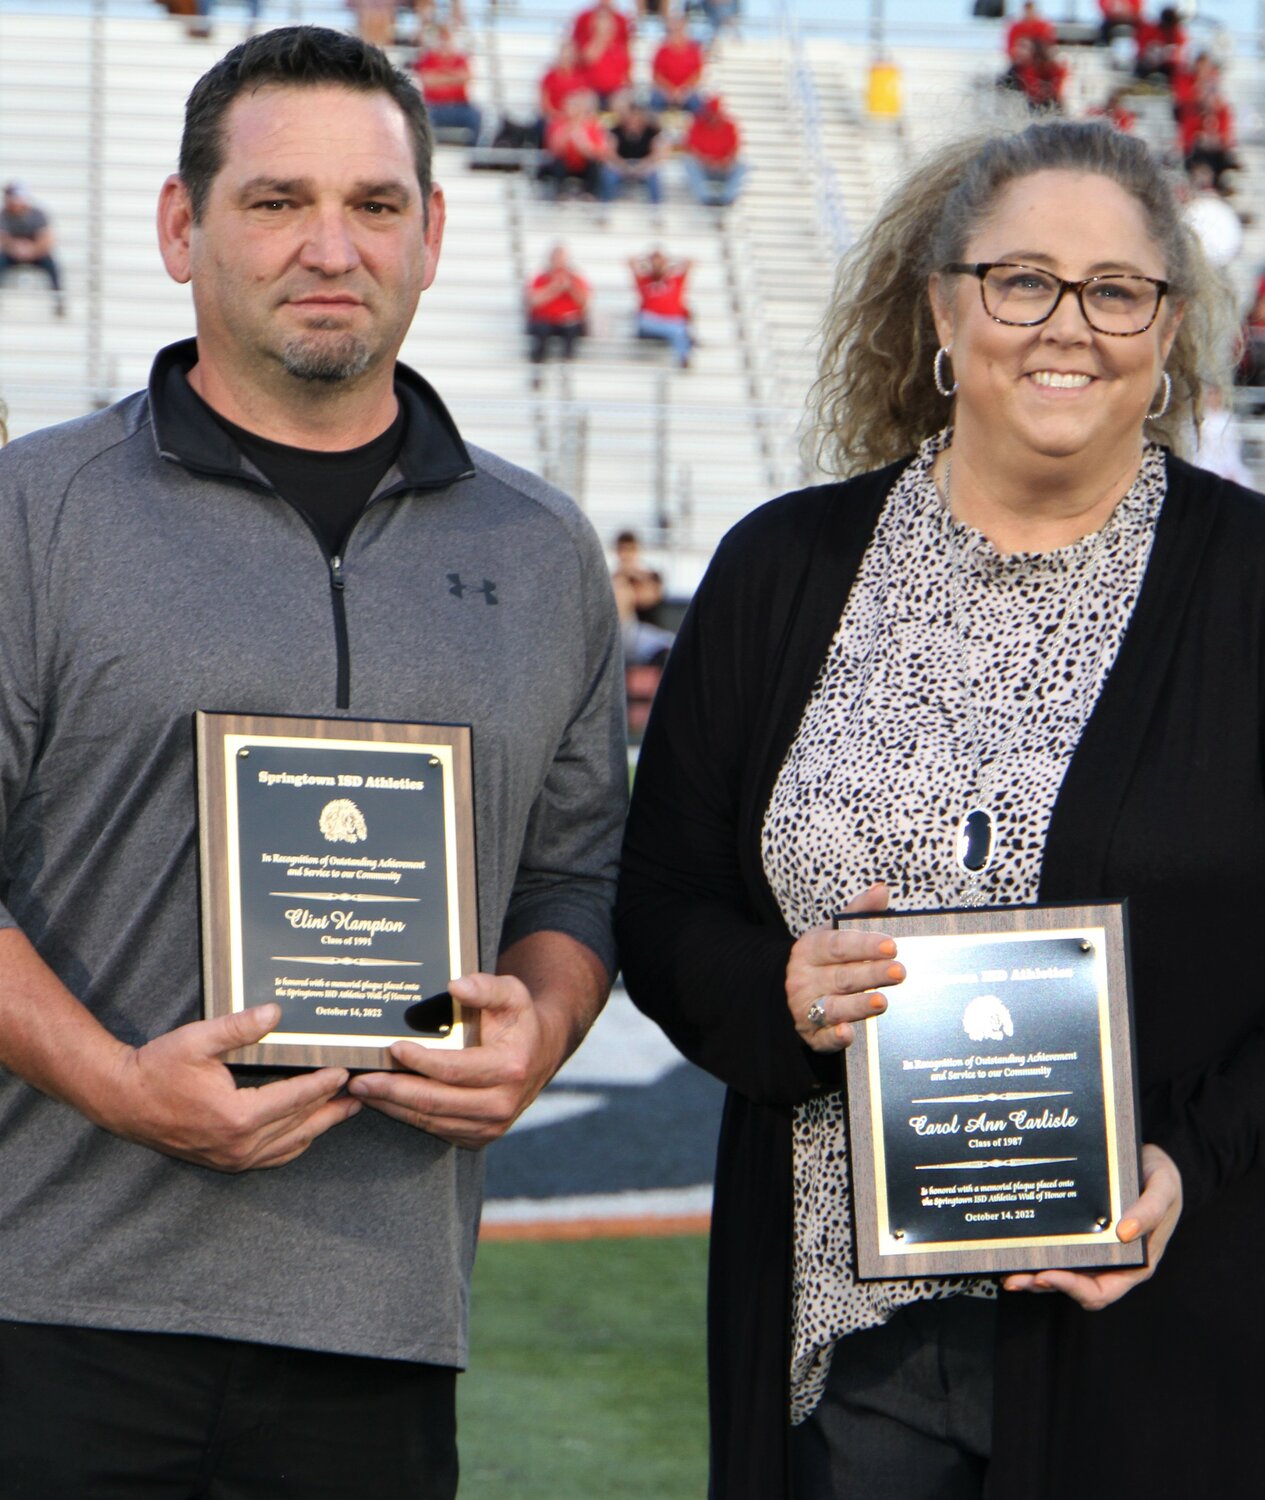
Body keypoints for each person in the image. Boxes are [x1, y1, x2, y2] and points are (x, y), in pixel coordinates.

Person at [0, 26, 625, 1498]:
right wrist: (114, 1083)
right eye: (277, 201)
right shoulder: (33, 514)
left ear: (432, 235)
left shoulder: (539, 554)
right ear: (181, 226)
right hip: (56, 1304)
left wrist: (540, 1025)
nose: (329, 247)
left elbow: (576, 873)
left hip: (380, 1323)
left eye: (376, 205)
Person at [617, 118, 1263, 1500]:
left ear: (1166, 328)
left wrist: (1185, 1168)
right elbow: (661, 906)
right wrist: (780, 988)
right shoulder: (779, 569)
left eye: (1116, 291)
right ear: (939, 306)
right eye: (1020, 279)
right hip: (850, 1352)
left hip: (1170, 1332)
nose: (1067, 326)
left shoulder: (1252, 585)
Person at [0, 181, 65, 316]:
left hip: (36, 254)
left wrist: (32, 250)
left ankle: (59, 300)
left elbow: (47, 239)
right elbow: (2, 238)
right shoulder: (3, 215)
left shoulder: (38, 214)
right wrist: (15, 247)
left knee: (51, 263)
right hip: (12, 254)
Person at [611, 528, 674, 664]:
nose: (626, 555)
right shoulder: (615, 581)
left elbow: (650, 598)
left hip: (648, 632)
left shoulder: (650, 577)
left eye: (630, 550)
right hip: (627, 635)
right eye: (622, 550)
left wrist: (636, 577)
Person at [526, 243, 590, 372]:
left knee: (572, 329)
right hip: (545, 321)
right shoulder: (541, 278)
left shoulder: (575, 278)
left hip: (568, 322)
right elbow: (534, 301)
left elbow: (584, 303)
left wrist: (570, 288)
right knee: (541, 331)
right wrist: (554, 288)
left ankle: (567, 364)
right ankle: (538, 368)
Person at [412, 22, 482, 141]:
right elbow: (428, 80)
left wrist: (441, 76)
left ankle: (473, 152)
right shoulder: (428, 57)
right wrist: (453, 77)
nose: (444, 41)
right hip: (435, 107)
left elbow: (467, 77)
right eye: (442, 37)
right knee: (419, 118)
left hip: (459, 106)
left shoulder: (460, 58)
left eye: (447, 37)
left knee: (476, 115)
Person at [538, 89, 612, 199]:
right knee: (557, 163)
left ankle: (591, 195)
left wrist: (582, 141)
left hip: (585, 164)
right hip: (565, 164)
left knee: (596, 166)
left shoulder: (592, 125)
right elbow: (555, 149)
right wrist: (569, 130)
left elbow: (600, 151)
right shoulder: (557, 123)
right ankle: (560, 195)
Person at [600, 96, 668, 206]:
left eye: (637, 115)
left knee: (654, 175)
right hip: (621, 164)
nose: (634, 119)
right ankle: (606, 205)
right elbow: (610, 153)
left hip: (644, 164)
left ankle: (656, 208)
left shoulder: (652, 131)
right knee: (608, 175)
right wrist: (624, 165)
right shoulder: (616, 130)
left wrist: (642, 166)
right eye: (631, 115)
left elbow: (658, 153)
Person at [631, 248, 693, 367]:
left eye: (660, 261)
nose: (657, 264)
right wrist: (645, 259)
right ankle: (683, 351)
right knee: (677, 330)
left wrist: (669, 261)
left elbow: (689, 262)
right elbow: (630, 262)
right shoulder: (645, 281)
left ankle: (683, 357)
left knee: (679, 328)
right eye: (654, 262)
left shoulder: (675, 280)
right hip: (651, 321)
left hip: (672, 321)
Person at [682, 94, 747, 207]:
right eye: (710, 113)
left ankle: (728, 197)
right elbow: (691, 149)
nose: (712, 116)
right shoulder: (697, 125)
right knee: (688, 162)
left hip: (723, 167)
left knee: (743, 165)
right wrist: (707, 161)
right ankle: (704, 197)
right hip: (704, 168)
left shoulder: (730, 126)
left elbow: (734, 150)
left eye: (714, 113)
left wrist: (723, 162)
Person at [650, 13, 706, 114]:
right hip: (665, 91)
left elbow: (697, 74)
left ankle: (694, 128)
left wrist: (683, 90)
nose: (676, 33)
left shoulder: (693, 50)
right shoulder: (662, 51)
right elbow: (656, 75)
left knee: (697, 103)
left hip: (687, 90)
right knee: (655, 100)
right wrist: (670, 91)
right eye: (673, 30)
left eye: (678, 30)